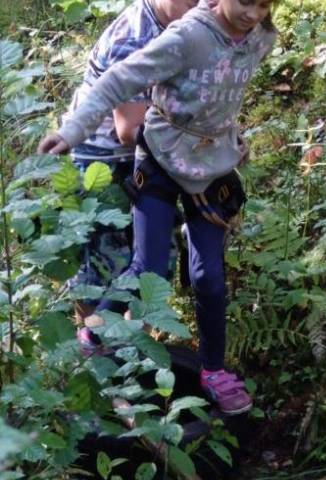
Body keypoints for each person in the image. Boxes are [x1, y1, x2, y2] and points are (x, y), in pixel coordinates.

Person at [38, 0, 279, 415]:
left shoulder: (259, 38)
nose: (254, 14)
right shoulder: (182, 35)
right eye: (246, 2)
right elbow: (121, 93)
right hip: (143, 156)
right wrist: (72, 130)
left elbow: (223, 94)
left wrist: (229, 135)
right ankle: (95, 346)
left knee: (209, 279)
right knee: (146, 268)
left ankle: (212, 370)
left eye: (264, 4)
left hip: (208, 163)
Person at [65, 0, 197, 322]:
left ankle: (132, 356)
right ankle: (95, 356)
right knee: (102, 270)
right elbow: (128, 130)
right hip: (102, 160)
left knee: (154, 270)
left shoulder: (190, 27)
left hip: (152, 153)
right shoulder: (135, 38)